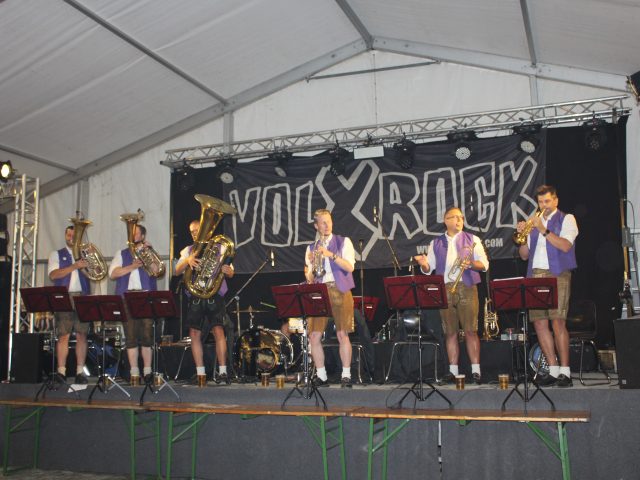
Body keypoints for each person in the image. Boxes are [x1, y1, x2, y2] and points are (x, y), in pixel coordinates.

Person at [414, 206, 488, 384]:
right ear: (446, 220)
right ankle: (453, 371)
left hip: (467, 286)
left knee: (471, 330)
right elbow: (428, 269)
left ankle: (476, 371)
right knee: (450, 332)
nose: (459, 220)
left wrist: (471, 264)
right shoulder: (436, 243)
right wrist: (423, 263)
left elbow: (485, 264)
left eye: (461, 217)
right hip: (445, 288)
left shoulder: (473, 239)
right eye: (455, 217)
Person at [517, 184, 578, 387]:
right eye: (541, 202)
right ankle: (552, 370)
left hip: (557, 273)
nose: (544, 205)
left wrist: (543, 230)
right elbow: (524, 255)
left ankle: (565, 372)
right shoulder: (534, 222)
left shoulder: (567, 219)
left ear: (556, 200)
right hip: (535, 274)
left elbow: (565, 245)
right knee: (539, 323)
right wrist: (523, 238)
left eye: (548, 201)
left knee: (558, 322)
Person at [175, 219, 234, 386]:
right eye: (192, 232)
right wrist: (188, 261)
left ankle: (223, 372)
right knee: (194, 333)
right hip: (196, 295)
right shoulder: (188, 250)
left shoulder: (220, 247)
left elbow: (231, 272)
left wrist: (227, 270)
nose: (195, 234)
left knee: (218, 331)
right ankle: (200, 373)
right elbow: (176, 271)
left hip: (214, 294)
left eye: (197, 230)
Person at [304, 209, 356, 388]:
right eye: (323, 222)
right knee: (314, 336)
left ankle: (346, 375)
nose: (327, 225)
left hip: (340, 289)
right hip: (319, 291)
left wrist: (330, 255)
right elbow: (310, 278)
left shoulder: (344, 242)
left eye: (329, 221)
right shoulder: (311, 248)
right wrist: (311, 266)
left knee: (342, 334)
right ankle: (321, 376)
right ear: (316, 226)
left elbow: (350, 267)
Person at [109, 224, 157, 386]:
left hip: (146, 296)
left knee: (147, 336)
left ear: (142, 236)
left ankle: (148, 372)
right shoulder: (121, 253)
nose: (133, 236)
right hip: (127, 297)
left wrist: (150, 253)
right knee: (130, 336)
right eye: (131, 233)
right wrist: (132, 266)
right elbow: (112, 274)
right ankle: (134, 372)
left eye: (136, 233)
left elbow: (157, 271)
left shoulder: (149, 252)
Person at [47, 225, 91, 384]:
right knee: (63, 335)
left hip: (82, 296)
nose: (72, 238)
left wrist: (87, 265)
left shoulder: (85, 254)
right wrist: (75, 266)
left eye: (75, 235)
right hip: (64, 297)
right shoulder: (56, 254)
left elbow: (96, 274)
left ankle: (80, 372)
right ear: (65, 236)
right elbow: (53, 275)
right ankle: (61, 371)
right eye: (69, 235)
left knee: (82, 335)